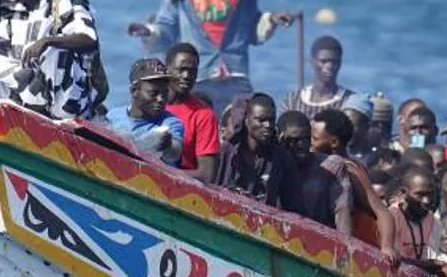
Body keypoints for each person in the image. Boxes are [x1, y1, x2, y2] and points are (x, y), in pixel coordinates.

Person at [127, 0, 292, 114]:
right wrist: (147, 31)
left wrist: (272, 19)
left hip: (235, 73)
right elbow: (166, 27)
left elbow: (253, 29)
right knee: (196, 124)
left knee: (243, 122)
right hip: (196, 74)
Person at [0, 0, 104, 119]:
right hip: (22, 98)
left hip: (69, 103)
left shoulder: (67, 4)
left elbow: (89, 40)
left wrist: (47, 41)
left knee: (53, 50)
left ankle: (51, 116)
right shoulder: (12, 13)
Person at [310, 108, 398, 264]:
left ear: (334, 142)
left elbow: (383, 213)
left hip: (358, 251)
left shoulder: (351, 171)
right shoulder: (317, 163)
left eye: (313, 139)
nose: (308, 142)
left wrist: (386, 247)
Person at [215, 93, 302, 213]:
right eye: (261, 120)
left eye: (271, 120)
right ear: (246, 120)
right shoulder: (227, 152)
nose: (268, 125)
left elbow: (294, 206)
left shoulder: (281, 158)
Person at [278, 111, 353, 235]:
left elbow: (342, 211)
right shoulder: (270, 164)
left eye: (307, 138)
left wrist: (345, 247)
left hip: (318, 242)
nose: (302, 145)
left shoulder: (331, 166)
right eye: (294, 140)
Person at [105, 59, 185, 166]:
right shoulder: (113, 117)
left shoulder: (171, 123)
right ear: (134, 91)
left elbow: (175, 153)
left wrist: (166, 145)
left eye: (165, 93)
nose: (161, 99)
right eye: (153, 93)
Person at [165, 43, 220, 181]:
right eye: (181, 69)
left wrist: (161, 172)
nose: (186, 76)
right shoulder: (151, 104)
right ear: (167, 69)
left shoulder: (204, 116)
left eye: (192, 71)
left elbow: (207, 174)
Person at [281, 36, 355, 117]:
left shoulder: (350, 103)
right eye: (323, 61)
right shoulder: (292, 101)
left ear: (340, 63)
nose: (329, 66)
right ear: (312, 62)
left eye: (334, 62)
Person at [388, 167, 437, 262]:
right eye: (420, 194)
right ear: (403, 193)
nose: (427, 201)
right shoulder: (392, 217)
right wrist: (430, 266)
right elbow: (394, 259)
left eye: (430, 194)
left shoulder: (431, 219)